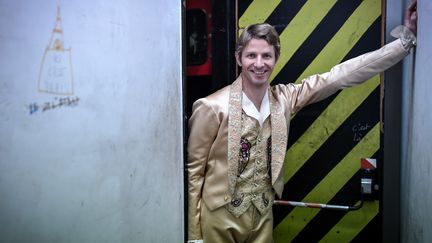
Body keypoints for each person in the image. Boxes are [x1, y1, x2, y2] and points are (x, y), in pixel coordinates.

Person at [187, 1, 417, 242]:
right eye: (251, 55)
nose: (258, 63)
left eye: (266, 56)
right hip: (219, 220)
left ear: (276, 58)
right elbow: (194, 173)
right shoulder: (212, 107)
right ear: (238, 58)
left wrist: (403, 44)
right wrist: (194, 236)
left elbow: (338, 77)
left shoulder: (284, 99)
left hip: (263, 217)